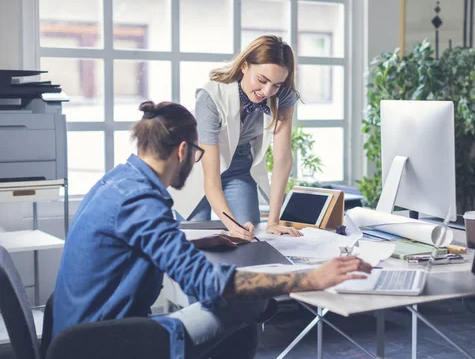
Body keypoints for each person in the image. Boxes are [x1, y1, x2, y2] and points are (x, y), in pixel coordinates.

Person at [52, 101, 371, 359]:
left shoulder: (119, 181)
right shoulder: (141, 200)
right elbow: (207, 283)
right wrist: (309, 279)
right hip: (102, 343)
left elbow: (140, 241)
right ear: (182, 151)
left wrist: (201, 241)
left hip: (79, 334)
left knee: (246, 305)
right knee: (247, 303)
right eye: (196, 154)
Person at [169, 35, 303, 241]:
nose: (267, 91)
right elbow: (210, 179)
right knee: (197, 236)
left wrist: (274, 220)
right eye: (262, 80)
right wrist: (232, 226)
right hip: (196, 167)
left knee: (248, 235)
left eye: (276, 85)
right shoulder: (210, 96)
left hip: (239, 165)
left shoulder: (282, 95)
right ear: (244, 66)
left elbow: (283, 159)